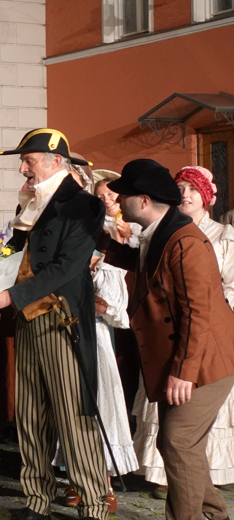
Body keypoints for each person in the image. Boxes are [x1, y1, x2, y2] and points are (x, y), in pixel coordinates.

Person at [0, 128, 109, 520]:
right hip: (28, 322)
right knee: (31, 412)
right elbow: (14, 256)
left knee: (73, 414)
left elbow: (68, 268)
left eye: (28, 161)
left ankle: (94, 503)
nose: (22, 169)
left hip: (61, 318)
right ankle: (37, 500)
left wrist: (10, 297)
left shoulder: (83, 204)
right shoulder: (31, 203)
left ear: (54, 162)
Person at [101, 159, 234, 520]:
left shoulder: (187, 242)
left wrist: (184, 373)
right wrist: (104, 246)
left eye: (123, 195)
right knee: (178, 444)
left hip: (206, 362)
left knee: (177, 442)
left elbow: (199, 313)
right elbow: (148, 264)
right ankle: (216, 515)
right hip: (190, 356)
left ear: (142, 200)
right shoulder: (160, 230)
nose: (117, 199)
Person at [58, 159, 137, 513]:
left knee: (101, 403)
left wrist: (102, 306)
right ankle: (77, 476)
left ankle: (102, 481)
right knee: (72, 404)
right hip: (68, 331)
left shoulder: (115, 249)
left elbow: (120, 311)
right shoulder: (73, 228)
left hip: (100, 340)